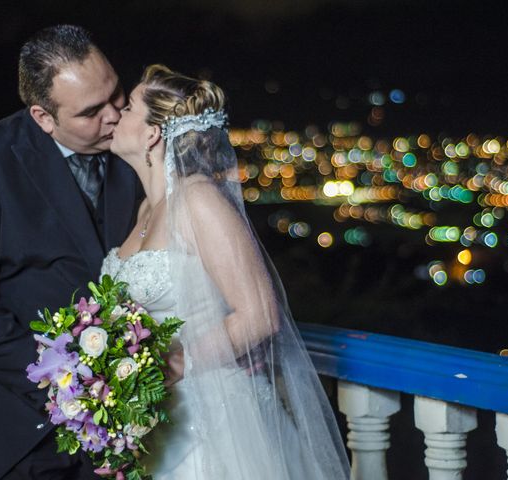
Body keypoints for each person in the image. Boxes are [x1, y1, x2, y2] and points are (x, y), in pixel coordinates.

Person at [102, 64, 350, 479]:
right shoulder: (146, 209)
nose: (114, 116)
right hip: (156, 418)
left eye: (126, 108)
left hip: (210, 420)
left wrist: (174, 365)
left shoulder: (199, 199)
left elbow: (259, 314)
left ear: (151, 134)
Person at [0, 25, 141, 479]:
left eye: (116, 93)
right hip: (15, 429)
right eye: (91, 111)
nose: (114, 115)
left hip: (120, 430)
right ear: (43, 117)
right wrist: (66, 385)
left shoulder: (137, 146)